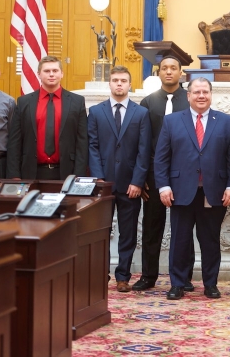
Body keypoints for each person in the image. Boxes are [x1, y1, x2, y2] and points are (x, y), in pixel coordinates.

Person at [154, 78, 230, 300]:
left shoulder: (227, 122)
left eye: (205, 92)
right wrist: (163, 186)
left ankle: (210, 284)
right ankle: (178, 284)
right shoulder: (171, 121)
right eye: (197, 92)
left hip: (214, 191)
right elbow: (161, 158)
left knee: (210, 240)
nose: (201, 96)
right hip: (180, 191)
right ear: (188, 95)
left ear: (211, 95)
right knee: (180, 240)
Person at [132, 56, 195, 292]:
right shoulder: (148, 103)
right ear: (158, 73)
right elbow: (142, 143)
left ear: (181, 73)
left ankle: (185, 276)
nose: (169, 72)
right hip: (154, 174)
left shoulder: (190, 100)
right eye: (164, 68)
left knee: (184, 228)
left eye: (173, 68)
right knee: (152, 226)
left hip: (183, 174)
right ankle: (148, 275)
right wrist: (143, 177)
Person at [88, 66, 151, 292]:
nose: (119, 84)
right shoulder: (95, 112)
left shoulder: (140, 113)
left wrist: (137, 181)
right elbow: (92, 147)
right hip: (104, 185)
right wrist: (100, 180)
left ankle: (123, 276)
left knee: (128, 232)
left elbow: (144, 151)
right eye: (115, 80)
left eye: (123, 80)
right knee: (101, 231)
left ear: (129, 84)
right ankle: (100, 274)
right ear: (110, 84)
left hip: (130, 185)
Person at [7, 55, 88, 180]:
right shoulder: (24, 102)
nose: (51, 74)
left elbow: (82, 142)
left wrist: (79, 176)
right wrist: (14, 175)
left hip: (67, 173)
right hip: (30, 173)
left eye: (55, 71)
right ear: (39, 74)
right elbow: (15, 141)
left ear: (62, 74)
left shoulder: (77, 102)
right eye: (46, 71)